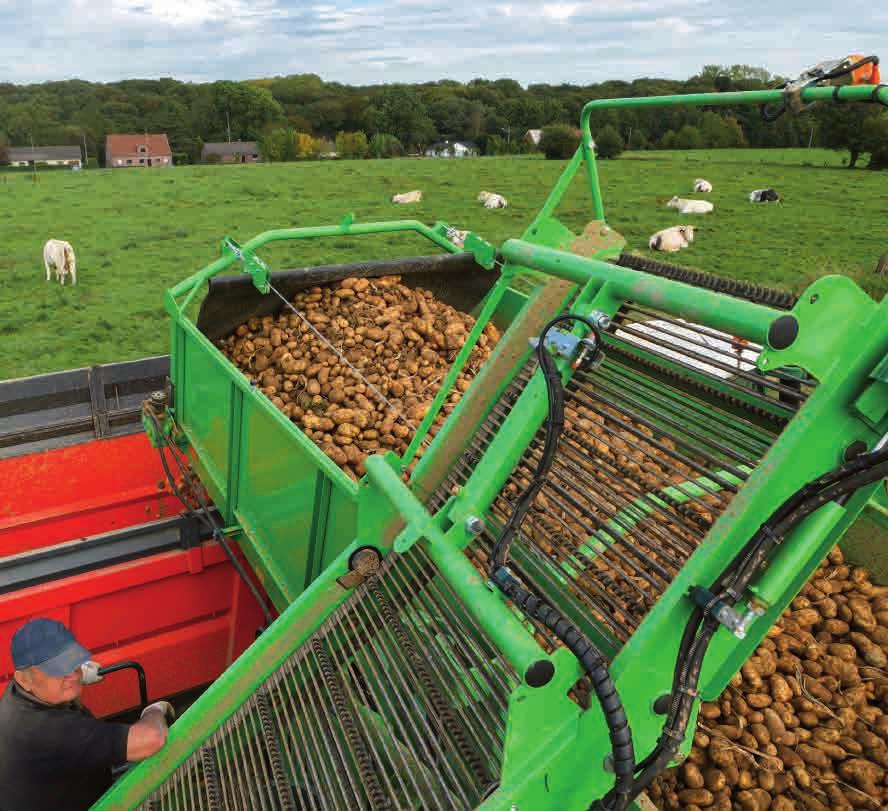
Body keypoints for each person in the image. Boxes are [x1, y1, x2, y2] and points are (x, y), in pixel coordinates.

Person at [0, 618, 175, 811]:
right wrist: (154, 711)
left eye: (72, 662)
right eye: (57, 669)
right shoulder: (48, 731)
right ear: (24, 679)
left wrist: (75, 676)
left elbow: (54, 678)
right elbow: (152, 739)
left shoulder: (18, 695)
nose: (74, 675)